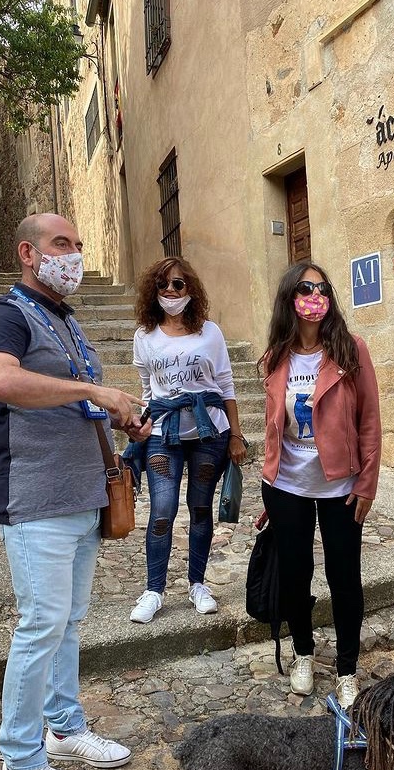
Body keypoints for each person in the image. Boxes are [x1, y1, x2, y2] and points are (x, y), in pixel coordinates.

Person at [0, 213, 151, 770]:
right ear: (28, 253)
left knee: (68, 622)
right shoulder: (6, 314)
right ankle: (20, 761)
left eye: (78, 243)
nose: (73, 254)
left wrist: (121, 418)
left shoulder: (67, 320)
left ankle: (64, 727)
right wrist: (93, 390)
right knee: (41, 625)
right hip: (35, 498)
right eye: (61, 244)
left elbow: (75, 406)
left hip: (83, 495)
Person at [260, 262, 382, 709]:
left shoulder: (351, 349)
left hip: (341, 487)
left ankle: (347, 669)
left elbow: (369, 420)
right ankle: (303, 653)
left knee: (344, 578)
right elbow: (273, 427)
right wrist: (269, 480)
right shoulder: (276, 356)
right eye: (306, 288)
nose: (316, 295)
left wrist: (367, 482)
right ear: (289, 297)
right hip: (286, 486)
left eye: (322, 288)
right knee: (295, 576)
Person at [128, 257, 247, 625]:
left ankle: (197, 584)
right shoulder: (144, 336)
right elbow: (148, 390)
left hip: (209, 433)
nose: (170, 290)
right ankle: (154, 590)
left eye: (178, 284)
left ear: (190, 289)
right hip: (163, 433)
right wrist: (141, 428)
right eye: (162, 284)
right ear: (153, 290)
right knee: (162, 510)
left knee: (200, 509)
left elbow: (225, 385)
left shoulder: (210, 332)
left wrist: (236, 434)